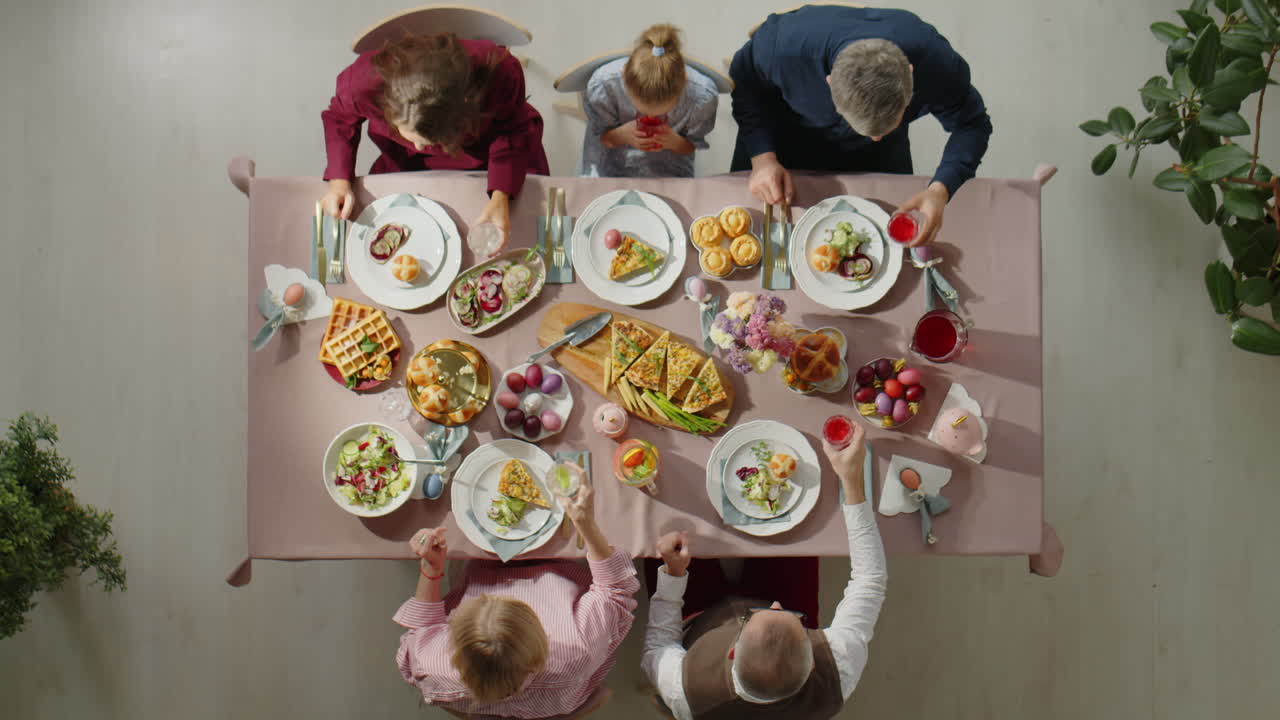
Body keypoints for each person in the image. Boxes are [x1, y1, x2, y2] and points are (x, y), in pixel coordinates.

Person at [641, 422, 886, 719]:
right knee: (797, 525)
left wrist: (673, 577)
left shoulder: (683, 690)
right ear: (811, 663)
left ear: (732, 651)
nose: (776, 604)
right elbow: (870, 578)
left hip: (700, 621)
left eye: (757, 616)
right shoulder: (840, 665)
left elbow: (659, 646)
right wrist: (851, 479)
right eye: (790, 617)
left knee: (662, 520)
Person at [729, 5, 993, 246]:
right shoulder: (783, 47)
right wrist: (762, 159)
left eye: (886, 126)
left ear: (910, 76)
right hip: (783, 138)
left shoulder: (935, 61)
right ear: (830, 82)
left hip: (881, 158)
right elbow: (745, 85)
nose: (874, 138)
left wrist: (940, 189)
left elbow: (972, 123)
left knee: (881, 245)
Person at [394, 477, 639, 718]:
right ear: (541, 643)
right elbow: (614, 588)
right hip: (559, 568)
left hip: (480, 569)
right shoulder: (577, 648)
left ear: (453, 642)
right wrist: (585, 523)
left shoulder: (430, 663)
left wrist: (432, 567)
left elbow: (423, 627)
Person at [320, 32, 550, 252]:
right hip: (404, 161)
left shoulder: (499, 72)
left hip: (490, 154)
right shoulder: (361, 83)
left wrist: (501, 195)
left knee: (525, 229)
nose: (422, 147)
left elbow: (515, 128)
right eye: (414, 138)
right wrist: (339, 182)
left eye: (429, 141)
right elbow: (340, 118)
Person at [580, 23, 718, 178]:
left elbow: (691, 146)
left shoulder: (701, 96)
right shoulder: (605, 86)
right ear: (624, 76)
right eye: (641, 110)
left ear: (684, 83)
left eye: (662, 112)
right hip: (611, 168)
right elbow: (600, 138)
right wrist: (621, 135)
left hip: (671, 171)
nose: (651, 118)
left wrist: (675, 142)